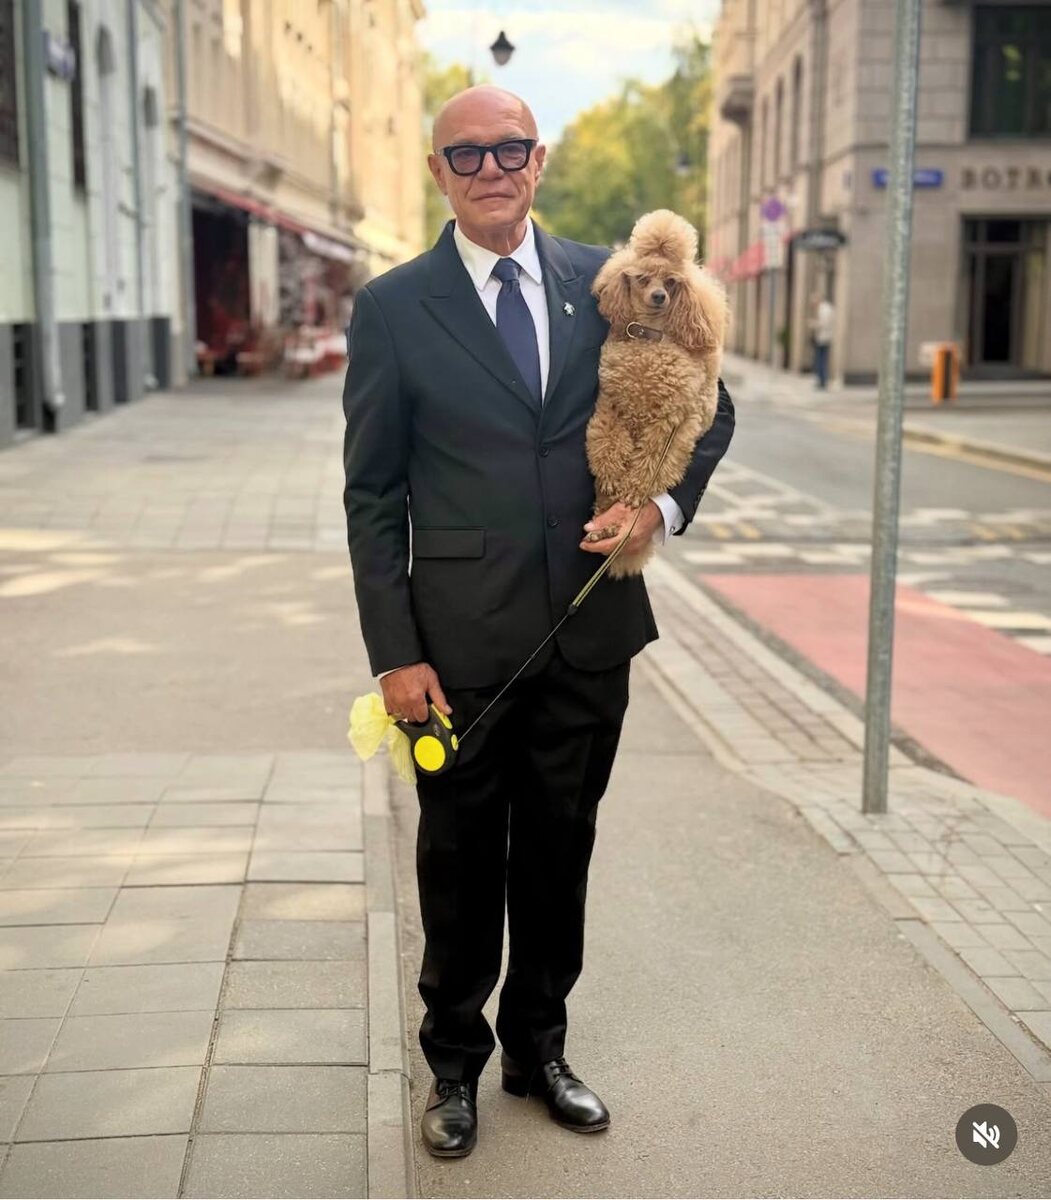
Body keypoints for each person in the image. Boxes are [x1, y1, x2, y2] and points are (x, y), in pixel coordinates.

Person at [341, 85, 735, 1159]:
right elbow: (372, 496)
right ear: (438, 172)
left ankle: (539, 1051)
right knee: (459, 860)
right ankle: (453, 1067)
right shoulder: (393, 308)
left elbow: (709, 400)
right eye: (466, 155)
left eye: (509, 149)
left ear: (540, 159)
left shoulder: (611, 281)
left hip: (588, 630)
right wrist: (395, 655)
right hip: (455, 647)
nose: (491, 170)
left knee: (560, 853)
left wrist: (658, 510)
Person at [810, 291, 834, 388]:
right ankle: (821, 380)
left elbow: (824, 324)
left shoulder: (824, 309)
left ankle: (822, 380)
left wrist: (813, 324)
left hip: (823, 338)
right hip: (824, 337)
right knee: (821, 359)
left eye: (813, 302)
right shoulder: (825, 308)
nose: (813, 305)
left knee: (821, 360)